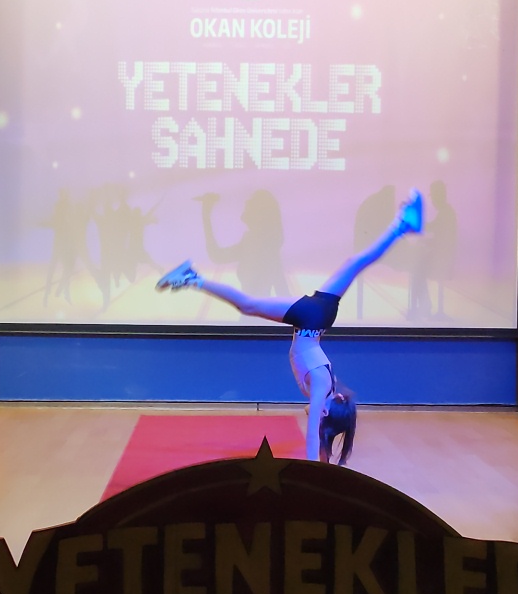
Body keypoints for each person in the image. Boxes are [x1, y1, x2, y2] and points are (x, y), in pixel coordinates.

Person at [157, 189, 425, 464]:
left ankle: (403, 225)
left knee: (356, 263)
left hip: (318, 319)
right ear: (325, 411)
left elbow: (321, 434)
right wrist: (311, 469)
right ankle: (192, 278)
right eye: (320, 414)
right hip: (311, 319)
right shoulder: (321, 386)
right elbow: (313, 435)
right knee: (248, 305)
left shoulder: (328, 389)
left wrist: (324, 460)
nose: (314, 413)